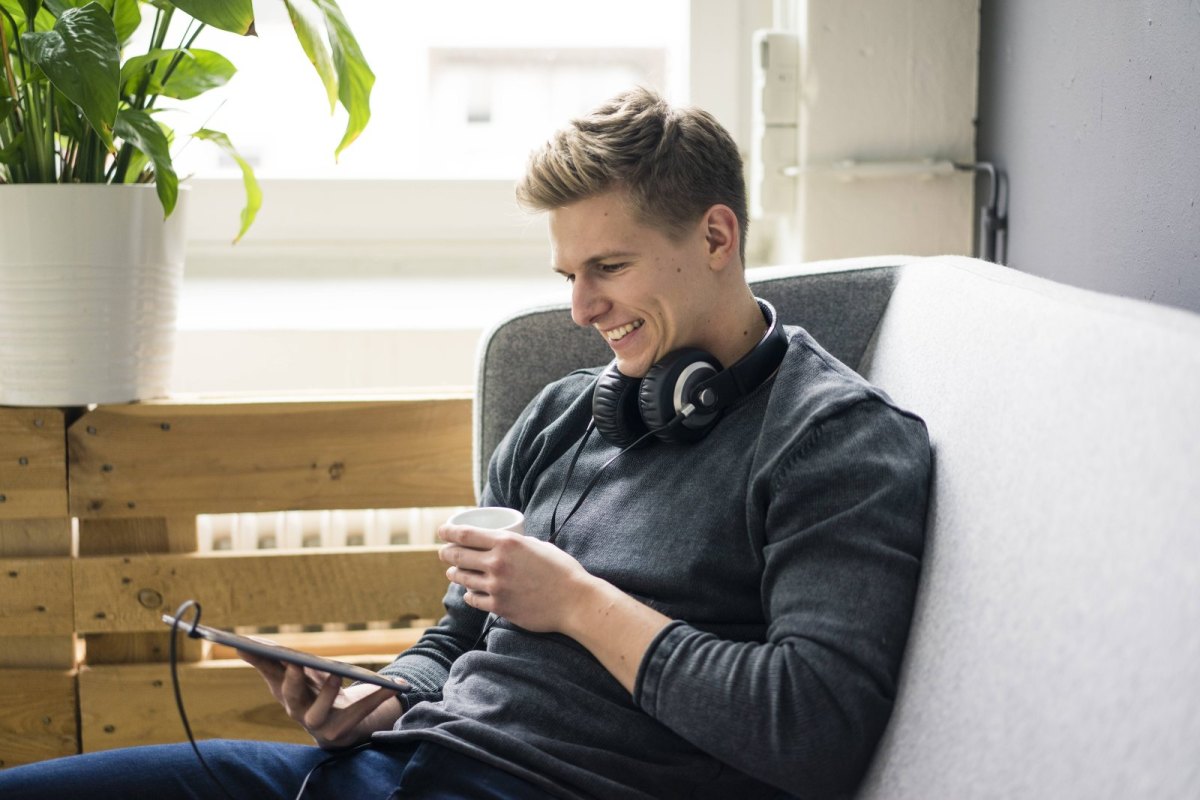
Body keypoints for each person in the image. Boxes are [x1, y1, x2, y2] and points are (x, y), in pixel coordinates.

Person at [0, 87, 930, 800]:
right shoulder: (575, 411)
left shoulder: (832, 440)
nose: (581, 309)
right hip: (403, 762)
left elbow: (813, 730)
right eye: (569, 273)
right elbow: (459, 633)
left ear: (717, 235)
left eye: (609, 267)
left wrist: (574, 602)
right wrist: (387, 693)